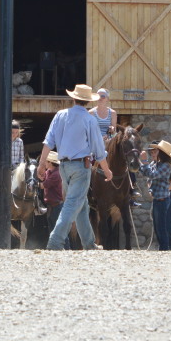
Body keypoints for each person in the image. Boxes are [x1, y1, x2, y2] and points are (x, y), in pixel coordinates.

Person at [36, 84, 112, 250]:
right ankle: (55, 242)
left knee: (81, 204)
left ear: (74, 98)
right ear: (88, 102)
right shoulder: (90, 120)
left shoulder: (60, 115)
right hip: (81, 166)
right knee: (72, 204)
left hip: (63, 166)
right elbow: (99, 150)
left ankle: (89, 243)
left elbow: (49, 141)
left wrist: (42, 164)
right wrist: (106, 170)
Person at [89, 87, 141, 205]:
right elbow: (90, 131)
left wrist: (112, 130)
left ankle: (132, 189)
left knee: (125, 156)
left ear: (107, 99)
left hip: (109, 141)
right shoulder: (91, 112)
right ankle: (89, 189)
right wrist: (99, 138)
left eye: (102, 96)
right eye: (98, 96)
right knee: (89, 160)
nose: (100, 98)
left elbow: (113, 129)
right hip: (96, 142)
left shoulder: (112, 113)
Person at [139, 139, 171, 251]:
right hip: (158, 199)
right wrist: (143, 163)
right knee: (158, 228)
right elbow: (147, 172)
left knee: (162, 228)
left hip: (163, 200)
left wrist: (144, 161)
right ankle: (163, 249)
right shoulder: (158, 164)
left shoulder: (166, 166)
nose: (154, 153)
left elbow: (152, 174)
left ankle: (164, 249)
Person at [41, 151, 69, 250]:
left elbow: (44, 184)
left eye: (46, 162)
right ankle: (57, 248)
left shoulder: (56, 174)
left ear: (50, 163)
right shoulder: (49, 172)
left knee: (59, 228)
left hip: (57, 205)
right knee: (53, 227)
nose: (45, 163)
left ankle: (66, 248)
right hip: (52, 205)